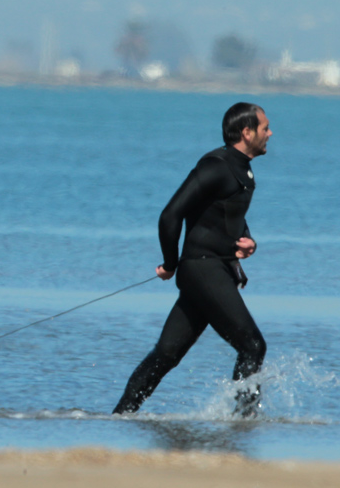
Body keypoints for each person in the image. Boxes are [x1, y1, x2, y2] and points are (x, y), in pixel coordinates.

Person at [113, 102, 272, 417]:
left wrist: (247, 241)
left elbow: (229, 215)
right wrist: (171, 263)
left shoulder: (242, 168)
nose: (270, 133)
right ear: (246, 132)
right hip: (202, 269)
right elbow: (170, 216)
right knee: (253, 346)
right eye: (265, 127)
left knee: (166, 354)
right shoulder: (215, 166)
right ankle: (244, 423)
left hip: (211, 269)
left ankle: (119, 417)